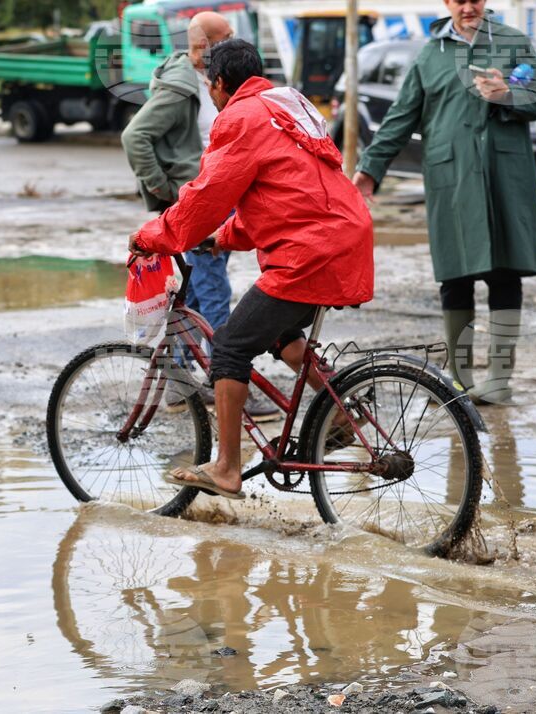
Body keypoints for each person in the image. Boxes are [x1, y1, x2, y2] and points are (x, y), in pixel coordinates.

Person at [128, 39, 374, 498]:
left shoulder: (240, 117)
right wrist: (223, 238)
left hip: (309, 252)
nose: (211, 94)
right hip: (344, 236)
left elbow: (206, 197)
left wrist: (153, 236)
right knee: (279, 332)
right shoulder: (286, 103)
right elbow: (284, 189)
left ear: (220, 83)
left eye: (210, 86)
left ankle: (226, 467)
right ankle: (344, 410)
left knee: (228, 348)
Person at [352, 0, 536, 405]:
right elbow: (401, 115)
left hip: (503, 178)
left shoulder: (512, 42)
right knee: (455, 278)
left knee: (505, 274)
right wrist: (370, 168)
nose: (468, 7)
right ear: (447, 3)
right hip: (451, 180)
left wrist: (508, 94)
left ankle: (499, 381)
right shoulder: (431, 54)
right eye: (459, 0)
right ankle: (459, 381)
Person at [121, 11, 234, 339]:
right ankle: (224, 365)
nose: (233, 44)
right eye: (226, 39)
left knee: (196, 290)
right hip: (199, 197)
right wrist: (163, 187)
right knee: (213, 289)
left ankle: (182, 365)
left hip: (221, 193)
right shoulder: (180, 87)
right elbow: (134, 137)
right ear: (202, 46)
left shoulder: (214, 79)